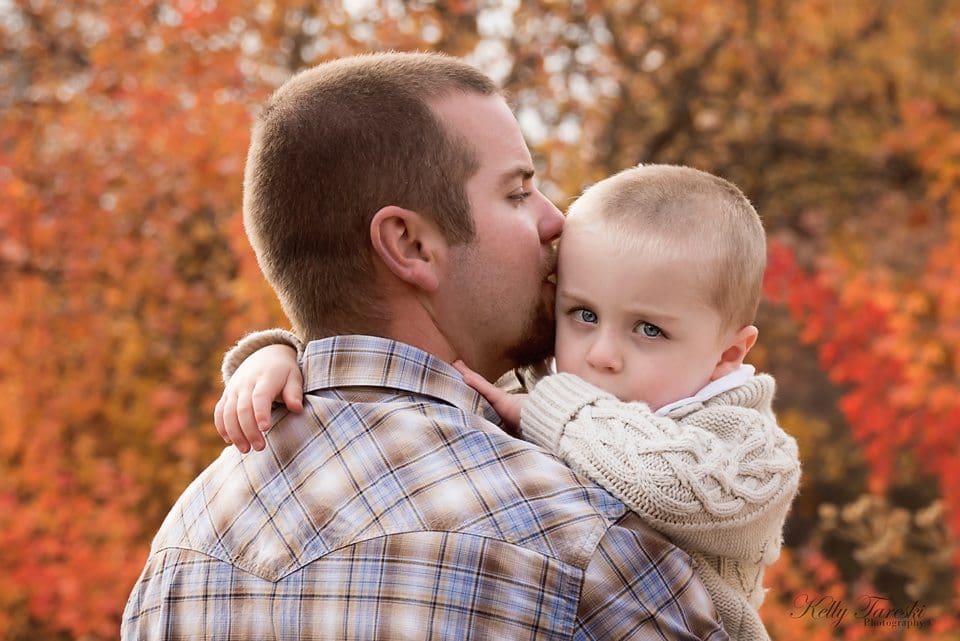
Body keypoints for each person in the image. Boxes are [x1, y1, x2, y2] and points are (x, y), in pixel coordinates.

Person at [121, 53, 728, 640]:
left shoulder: (176, 558)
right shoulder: (580, 540)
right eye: (517, 194)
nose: (555, 221)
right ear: (409, 245)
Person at [219, 165, 801, 640]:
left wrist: (555, 411)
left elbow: (674, 489)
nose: (602, 354)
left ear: (728, 354)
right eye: (584, 314)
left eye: (649, 330)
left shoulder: (741, 440)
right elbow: (388, 352)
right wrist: (283, 354)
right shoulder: (559, 383)